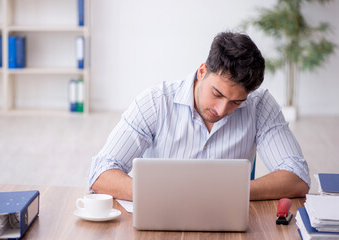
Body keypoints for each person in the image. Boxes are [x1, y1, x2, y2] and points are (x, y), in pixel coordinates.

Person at [88, 31, 310, 201]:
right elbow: (101, 172)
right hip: (162, 216)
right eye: (217, 93)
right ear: (202, 71)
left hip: (228, 221)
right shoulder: (155, 102)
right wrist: (160, 195)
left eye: (236, 102)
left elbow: (297, 177)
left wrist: (230, 194)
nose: (222, 110)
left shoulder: (259, 105)